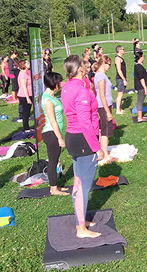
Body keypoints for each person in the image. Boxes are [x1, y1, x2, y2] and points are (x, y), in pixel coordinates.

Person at [61, 55, 103, 238]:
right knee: (83, 186)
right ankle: (81, 230)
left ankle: (81, 220)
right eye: (84, 65)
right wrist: (97, 147)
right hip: (83, 139)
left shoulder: (68, 87)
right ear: (79, 69)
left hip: (73, 136)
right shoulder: (81, 91)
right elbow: (85, 123)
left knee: (78, 183)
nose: (87, 66)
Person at [41, 72, 69, 196]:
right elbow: (52, 121)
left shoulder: (51, 96)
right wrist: (60, 138)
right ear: (54, 83)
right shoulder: (47, 100)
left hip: (53, 132)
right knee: (53, 161)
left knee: (55, 159)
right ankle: (53, 189)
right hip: (51, 133)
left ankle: (55, 186)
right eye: (58, 82)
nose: (60, 84)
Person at [93, 56, 117, 164]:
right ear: (104, 64)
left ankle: (104, 149)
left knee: (105, 129)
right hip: (103, 106)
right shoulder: (101, 76)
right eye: (109, 64)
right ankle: (106, 155)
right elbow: (102, 95)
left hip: (104, 105)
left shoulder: (100, 75)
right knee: (105, 130)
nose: (110, 67)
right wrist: (107, 111)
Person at [17, 60, 33, 132]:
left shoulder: (27, 73)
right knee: (26, 112)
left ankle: (28, 127)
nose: (29, 64)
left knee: (28, 111)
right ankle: (26, 128)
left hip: (30, 94)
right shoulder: (22, 75)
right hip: (24, 95)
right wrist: (27, 98)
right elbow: (24, 87)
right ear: (24, 65)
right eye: (27, 63)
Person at [134, 51, 147, 122]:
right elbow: (141, 78)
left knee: (140, 101)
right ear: (140, 57)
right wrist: (145, 88)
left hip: (139, 86)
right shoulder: (139, 67)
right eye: (143, 56)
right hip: (141, 86)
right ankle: (139, 117)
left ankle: (140, 116)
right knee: (140, 101)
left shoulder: (137, 65)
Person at [114, 45, 127, 114]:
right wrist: (124, 79)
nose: (124, 50)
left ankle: (120, 108)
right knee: (120, 94)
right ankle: (117, 110)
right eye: (123, 49)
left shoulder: (120, 58)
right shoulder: (118, 58)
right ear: (120, 51)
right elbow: (119, 70)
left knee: (122, 94)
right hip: (120, 78)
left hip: (121, 78)